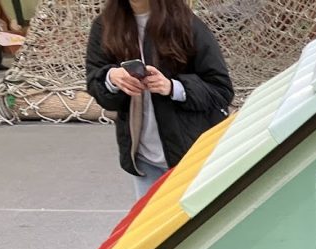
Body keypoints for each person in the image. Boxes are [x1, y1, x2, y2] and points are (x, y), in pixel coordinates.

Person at [85, 0, 233, 198]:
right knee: (149, 217)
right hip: (143, 159)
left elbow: (221, 90)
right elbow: (96, 85)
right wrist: (111, 79)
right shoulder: (105, 25)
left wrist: (173, 87)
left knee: (194, 216)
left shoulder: (187, 24)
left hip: (191, 156)